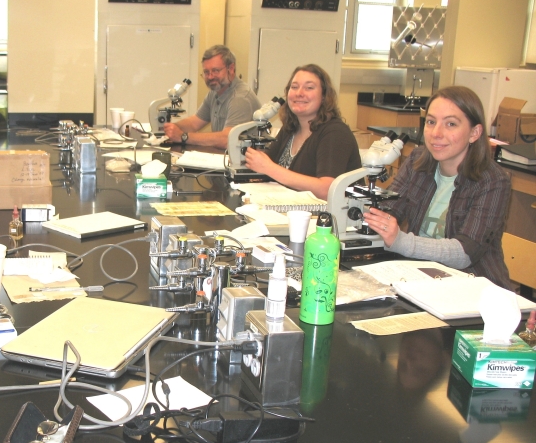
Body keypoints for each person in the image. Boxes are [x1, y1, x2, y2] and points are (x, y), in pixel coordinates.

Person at [364, 86, 511, 289]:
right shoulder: (418, 161)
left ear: (474, 133)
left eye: (450, 124)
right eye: (431, 122)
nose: (436, 133)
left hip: (474, 289)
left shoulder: (493, 181)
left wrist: (400, 241)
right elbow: (390, 209)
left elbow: (465, 253)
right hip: (420, 279)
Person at [244, 64, 361, 200]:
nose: (299, 93)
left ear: (324, 96)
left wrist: (269, 168)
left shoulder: (335, 133)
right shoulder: (290, 128)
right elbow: (266, 166)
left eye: (309, 88)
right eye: (294, 87)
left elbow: (327, 189)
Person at [162, 45, 261, 149]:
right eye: (206, 72)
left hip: (244, 163)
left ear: (231, 68)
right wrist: (169, 129)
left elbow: (227, 140)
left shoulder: (240, 98)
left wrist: (183, 137)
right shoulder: (215, 93)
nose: (210, 77)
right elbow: (194, 123)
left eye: (215, 71)